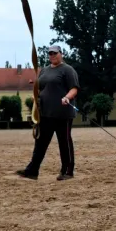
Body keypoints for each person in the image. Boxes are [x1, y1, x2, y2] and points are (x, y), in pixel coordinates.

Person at [16, 45, 79, 181]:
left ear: (61, 54)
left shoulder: (68, 70)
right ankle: (32, 171)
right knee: (40, 142)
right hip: (45, 113)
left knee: (64, 142)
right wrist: (36, 97)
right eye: (50, 53)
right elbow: (40, 88)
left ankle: (67, 171)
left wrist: (67, 97)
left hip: (63, 114)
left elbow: (74, 88)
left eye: (55, 53)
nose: (52, 55)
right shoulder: (44, 70)